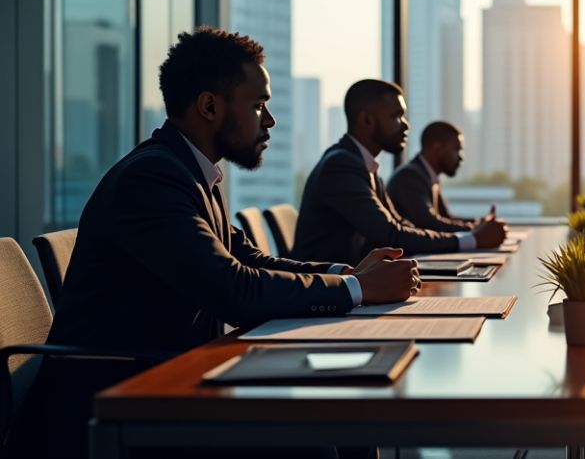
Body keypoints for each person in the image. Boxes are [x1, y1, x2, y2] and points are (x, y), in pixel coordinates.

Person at [7, 28, 418, 459]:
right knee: (312, 437)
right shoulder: (152, 179)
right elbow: (233, 289)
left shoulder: (190, 173)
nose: (270, 120)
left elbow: (247, 258)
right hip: (113, 401)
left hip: (166, 376)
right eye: (259, 105)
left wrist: (348, 274)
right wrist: (360, 290)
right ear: (209, 106)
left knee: (338, 415)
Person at [292, 80, 506, 265]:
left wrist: (470, 235)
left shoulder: (363, 165)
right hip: (329, 296)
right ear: (367, 120)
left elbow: (400, 225)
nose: (406, 126)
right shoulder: (341, 165)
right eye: (397, 117)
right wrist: (472, 239)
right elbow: (391, 234)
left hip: (354, 285)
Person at [387, 121, 495, 232]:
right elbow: (430, 224)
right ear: (437, 148)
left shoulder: (426, 176)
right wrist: (477, 229)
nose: (460, 157)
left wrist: (479, 223)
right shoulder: (409, 177)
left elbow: (446, 218)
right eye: (457, 149)